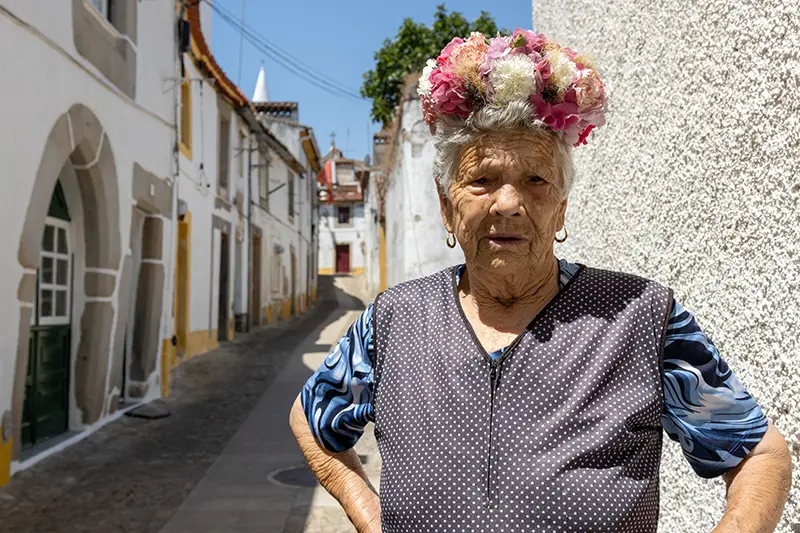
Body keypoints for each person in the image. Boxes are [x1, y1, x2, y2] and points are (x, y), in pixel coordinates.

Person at [289, 29, 792, 533]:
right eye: (482, 179)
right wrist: (371, 518)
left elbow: (759, 454)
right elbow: (310, 420)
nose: (508, 204)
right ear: (446, 207)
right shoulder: (396, 319)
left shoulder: (640, 317)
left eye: (535, 180)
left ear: (561, 208)